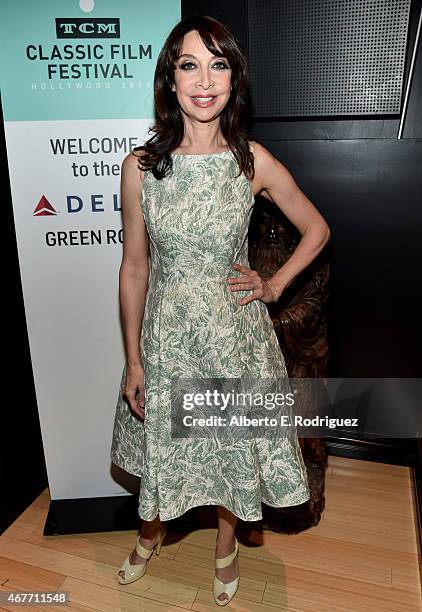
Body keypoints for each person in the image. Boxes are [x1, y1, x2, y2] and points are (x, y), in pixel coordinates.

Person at [110, 14, 330, 606]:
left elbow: (316, 229)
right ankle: (149, 534)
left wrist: (273, 284)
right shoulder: (142, 167)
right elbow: (135, 267)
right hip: (166, 337)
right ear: (170, 79)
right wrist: (133, 359)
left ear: (234, 78)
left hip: (234, 337)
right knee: (168, 447)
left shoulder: (250, 161)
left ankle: (226, 547)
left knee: (230, 448)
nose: (204, 80)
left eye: (219, 64)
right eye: (190, 65)